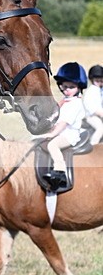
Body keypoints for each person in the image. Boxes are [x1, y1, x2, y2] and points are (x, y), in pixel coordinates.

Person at [41, 62, 87, 190]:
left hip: (69, 134)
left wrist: (52, 134)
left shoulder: (75, 104)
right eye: (64, 86)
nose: (67, 89)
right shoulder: (66, 101)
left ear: (79, 87)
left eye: (71, 87)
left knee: (52, 145)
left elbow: (63, 123)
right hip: (61, 131)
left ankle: (60, 171)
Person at [83, 64, 103, 145]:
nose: (100, 83)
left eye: (101, 81)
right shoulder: (91, 91)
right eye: (97, 81)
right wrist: (100, 113)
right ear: (92, 80)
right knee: (101, 128)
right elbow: (90, 107)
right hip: (91, 116)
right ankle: (93, 145)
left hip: (100, 114)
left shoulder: (100, 90)